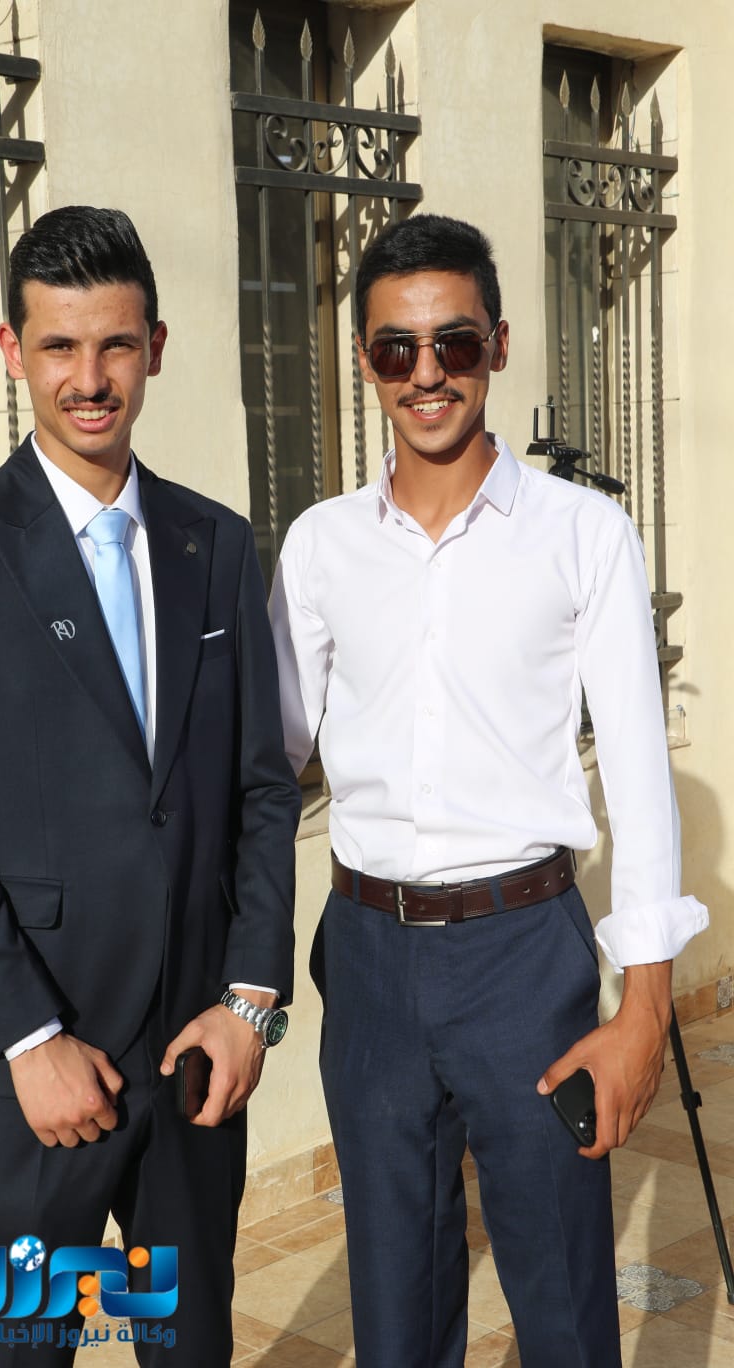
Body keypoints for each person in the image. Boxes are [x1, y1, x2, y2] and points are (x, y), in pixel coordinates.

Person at [269, 212, 708, 1367]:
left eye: (454, 344)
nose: (427, 374)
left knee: (563, 1306)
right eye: (396, 349)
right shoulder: (319, 548)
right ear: (364, 361)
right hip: (366, 961)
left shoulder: (583, 534)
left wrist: (644, 1012)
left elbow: (640, 780)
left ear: (498, 346)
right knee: (395, 1316)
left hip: (525, 958)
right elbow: (265, 770)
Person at [0, 205, 300, 1368]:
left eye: (114, 344)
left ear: (154, 346)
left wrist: (250, 1003)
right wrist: (29, 1038)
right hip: (34, 1075)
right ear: (12, 349)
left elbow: (262, 789)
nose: (90, 378)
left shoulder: (218, 545)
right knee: (21, 1347)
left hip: (195, 1059)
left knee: (189, 1345)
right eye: (59, 346)